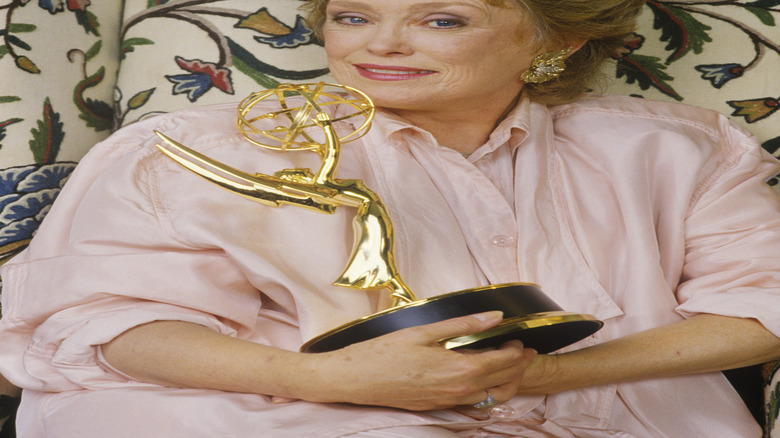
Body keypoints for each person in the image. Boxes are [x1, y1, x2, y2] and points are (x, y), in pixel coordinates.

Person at [1, 0, 779, 436]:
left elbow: (760, 306)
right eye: (353, 16)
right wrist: (326, 377)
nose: (383, 46)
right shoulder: (189, 149)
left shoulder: (675, 148)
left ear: (556, 38)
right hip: (280, 414)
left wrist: (547, 374)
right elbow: (108, 323)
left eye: (441, 20)